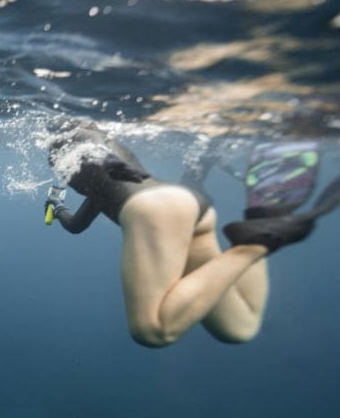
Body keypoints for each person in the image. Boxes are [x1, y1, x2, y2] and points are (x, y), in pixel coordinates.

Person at [44, 121, 337, 347]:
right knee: (240, 328)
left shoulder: (67, 153)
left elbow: (75, 225)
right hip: (183, 202)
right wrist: (59, 208)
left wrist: (56, 208)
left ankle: (259, 243)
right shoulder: (101, 155)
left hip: (156, 210)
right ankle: (262, 220)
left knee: (153, 331)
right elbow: (109, 181)